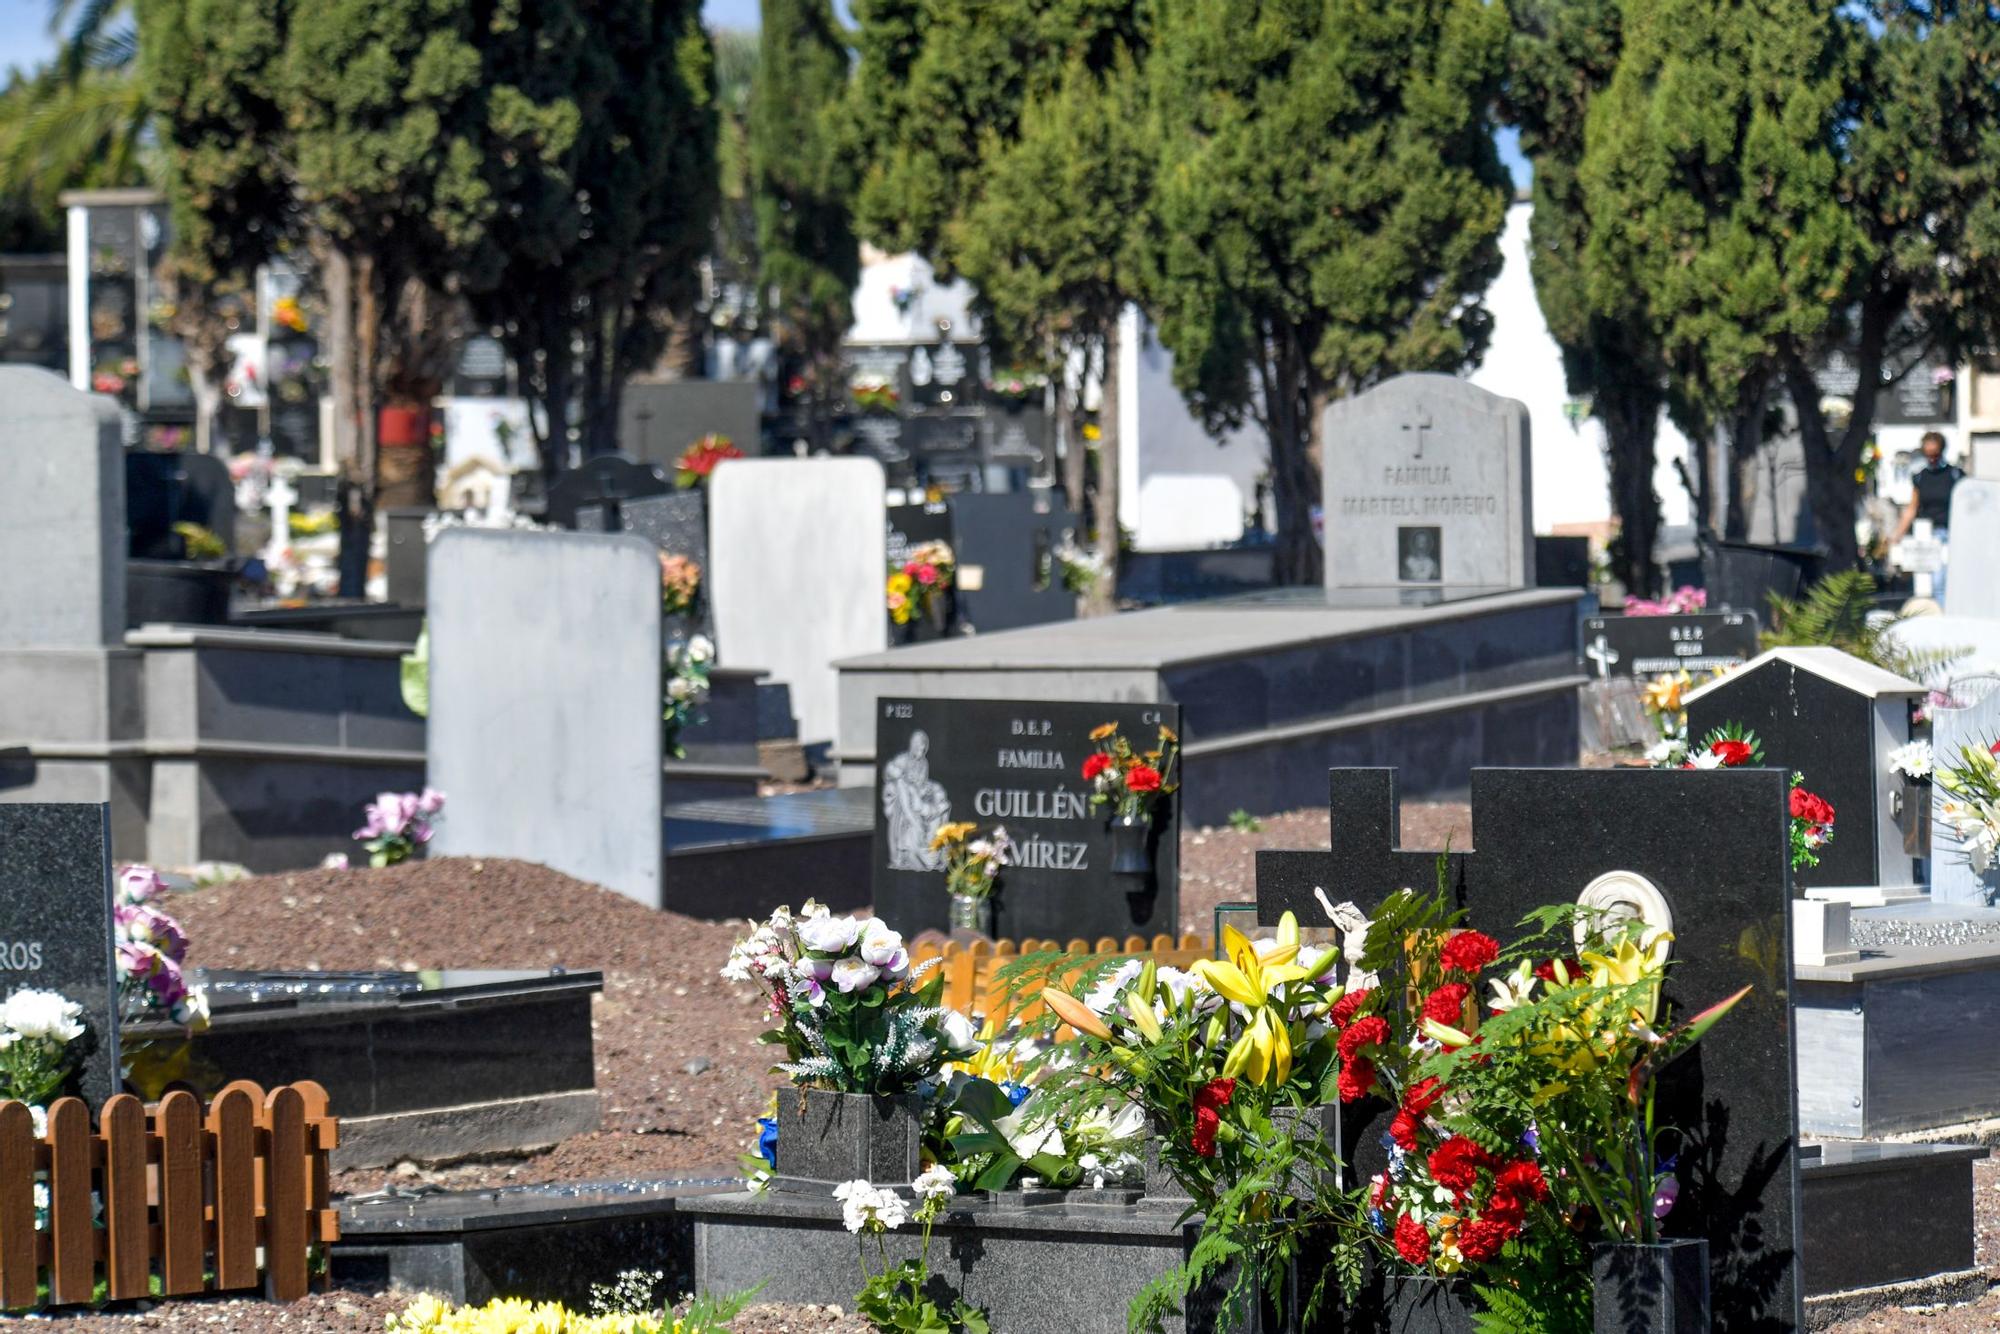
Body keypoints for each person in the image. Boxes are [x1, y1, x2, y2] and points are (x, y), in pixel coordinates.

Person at [1890, 431, 1965, 601]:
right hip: (1927, 535)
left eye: (1935, 454)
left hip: (1950, 533)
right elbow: (1912, 508)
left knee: (1943, 581)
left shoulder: (1955, 475)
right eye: (1928, 454)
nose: (1932, 458)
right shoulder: (1920, 477)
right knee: (1930, 582)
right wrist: (1897, 535)